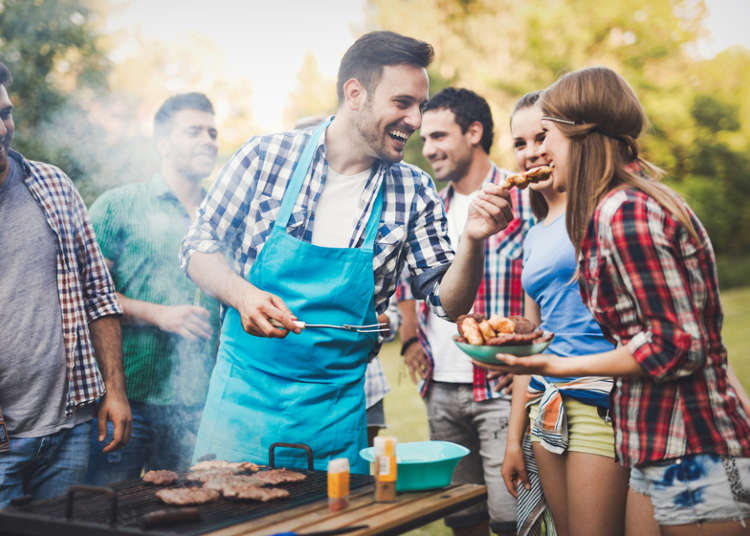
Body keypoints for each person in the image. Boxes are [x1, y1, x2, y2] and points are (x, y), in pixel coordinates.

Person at [178, 31, 514, 474]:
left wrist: (472, 239)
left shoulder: (413, 190)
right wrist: (243, 295)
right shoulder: (265, 158)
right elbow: (197, 246)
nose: (415, 119)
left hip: (334, 415)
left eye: (420, 105)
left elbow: (450, 303)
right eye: (402, 102)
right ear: (355, 93)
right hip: (242, 405)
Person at [476, 66, 750, 535]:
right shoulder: (616, 208)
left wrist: (557, 367)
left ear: (578, 136)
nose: (542, 150)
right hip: (653, 435)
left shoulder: (623, 213)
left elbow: (678, 345)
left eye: (550, 134)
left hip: (691, 443)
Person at [398, 87, 535, 536]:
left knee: (512, 520)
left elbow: (551, 286)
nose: (429, 148)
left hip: (500, 390)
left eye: (439, 135)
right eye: (425, 140)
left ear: (474, 131)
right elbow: (407, 281)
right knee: (462, 518)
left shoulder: (523, 199)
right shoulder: (428, 207)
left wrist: (522, 363)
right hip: (440, 391)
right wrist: (409, 339)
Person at [0, 62, 131, 506]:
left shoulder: (53, 185)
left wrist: (114, 390)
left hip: (72, 429)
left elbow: (98, 295)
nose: (1, 129)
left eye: (4, 114)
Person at [500, 91, 628, 536]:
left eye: (542, 137)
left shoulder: (601, 211)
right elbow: (530, 342)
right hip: (546, 412)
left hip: (599, 402)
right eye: (520, 143)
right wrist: (514, 438)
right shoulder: (533, 237)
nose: (532, 151)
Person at [86, 93, 221, 483]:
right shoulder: (119, 205)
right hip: (128, 401)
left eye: (212, 132)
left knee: (192, 516)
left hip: (200, 405)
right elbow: (86, 294)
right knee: (114, 515)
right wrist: (158, 314)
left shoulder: (223, 214)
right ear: (163, 143)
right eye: (193, 131)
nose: (208, 140)